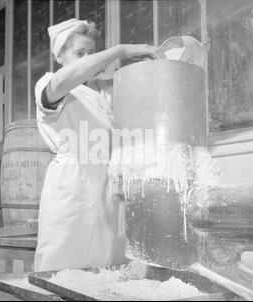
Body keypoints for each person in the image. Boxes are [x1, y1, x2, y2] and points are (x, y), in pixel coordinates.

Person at [34, 18, 165, 272]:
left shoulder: (100, 96)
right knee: (60, 272)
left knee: (102, 275)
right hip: (71, 190)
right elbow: (61, 84)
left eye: (91, 53)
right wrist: (121, 51)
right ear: (60, 56)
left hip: (106, 193)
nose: (87, 59)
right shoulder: (50, 82)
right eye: (79, 53)